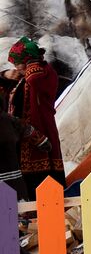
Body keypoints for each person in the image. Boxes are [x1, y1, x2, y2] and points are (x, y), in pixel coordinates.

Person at [3, 37, 63, 194]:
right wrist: (5, 75)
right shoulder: (21, 80)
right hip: (23, 140)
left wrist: (31, 62)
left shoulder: (44, 74)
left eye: (18, 63)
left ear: (29, 60)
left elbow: (34, 78)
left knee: (45, 186)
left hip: (42, 133)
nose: (16, 67)